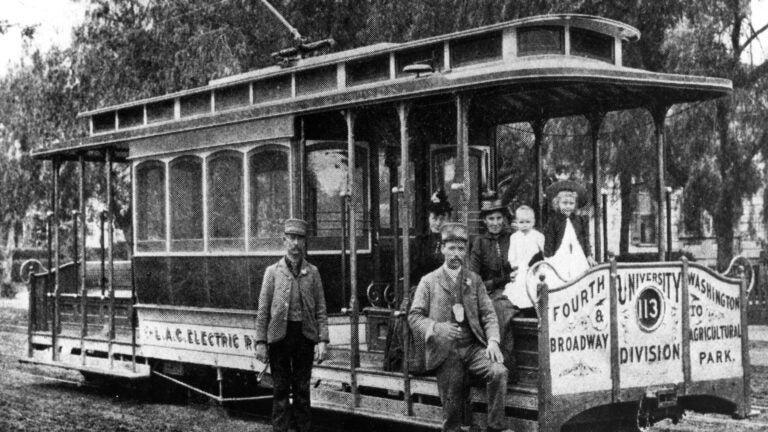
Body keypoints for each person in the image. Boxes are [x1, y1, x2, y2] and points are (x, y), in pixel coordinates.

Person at [409, 223, 511, 432]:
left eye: (461, 249)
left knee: (498, 371)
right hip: (446, 352)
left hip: (472, 348)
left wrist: (493, 341)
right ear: (442, 248)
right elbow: (414, 317)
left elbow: (488, 313)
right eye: (452, 248)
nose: (456, 254)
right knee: (452, 409)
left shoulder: (474, 280)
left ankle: (495, 427)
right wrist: (437, 328)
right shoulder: (429, 281)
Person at [255, 218, 329, 432]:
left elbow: (321, 309)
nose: (296, 244)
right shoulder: (272, 272)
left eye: (300, 239)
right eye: (292, 238)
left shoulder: (313, 273)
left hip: (304, 337)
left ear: (305, 242)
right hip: (279, 338)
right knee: (280, 391)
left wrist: (322, 340)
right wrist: (261, 341)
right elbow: (263, 310)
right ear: (284, 240)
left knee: (302, 391)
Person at [385, 189, 453, 373]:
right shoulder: (421, 242)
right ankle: (403, 360)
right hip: (421, 289)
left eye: (442, 218)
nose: (437, 223)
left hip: (443, 291)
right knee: (403, 311)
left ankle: (424, 361)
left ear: (448, 218)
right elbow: (413, 271)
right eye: (434, 218)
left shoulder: (453, 242)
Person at [468, 198, 517, 381]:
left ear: (504, 219)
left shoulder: (512, 238)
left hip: (514, 290)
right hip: (490, 292)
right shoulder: (479, 243)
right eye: (491, 219)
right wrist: (498, 282)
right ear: (485, 221)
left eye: (498, 218)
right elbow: (474, 277)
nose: (495, 223)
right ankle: (490, 367)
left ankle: (505, 368)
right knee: (491, 311)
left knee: (502, 311)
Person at [543, 180, 596, 283]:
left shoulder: (580, 220)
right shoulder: (553, 221)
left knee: (580, 277)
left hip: (577, 256)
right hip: (559, 257)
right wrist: (547, 259)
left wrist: (589, 255)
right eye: (564, 203)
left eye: (571, 203)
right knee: (558, 278)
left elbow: (586, 239)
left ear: (575, 204)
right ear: (557, 203)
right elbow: (549, 241)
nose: (568, 206)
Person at [504, 205, 545, 317]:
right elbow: (512, 254)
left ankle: (536, 308)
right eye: (521, 222)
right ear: (516, 223)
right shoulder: (514, 237)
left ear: (533, 222)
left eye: (528, 222)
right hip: (521, 267)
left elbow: (543, 253)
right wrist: (515, 266)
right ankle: (524, 308)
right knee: (521, 284)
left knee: (535, 284)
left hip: (536, 267)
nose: (525, 225)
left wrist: (540, 264)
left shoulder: (538, 236)